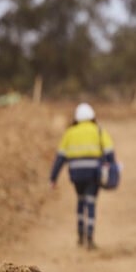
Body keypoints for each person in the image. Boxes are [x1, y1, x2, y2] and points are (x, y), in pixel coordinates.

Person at [49, 103, 116, 250]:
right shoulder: (98, 130)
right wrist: (112, 168)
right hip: (93, 174)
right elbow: (110, 152)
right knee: (91, 202)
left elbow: (60, 158)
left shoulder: (70, 132)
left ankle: (80, 235)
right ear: (92, 116)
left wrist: (53, 178)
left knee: (80, 201)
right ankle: (90, 238)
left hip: (76, 174)